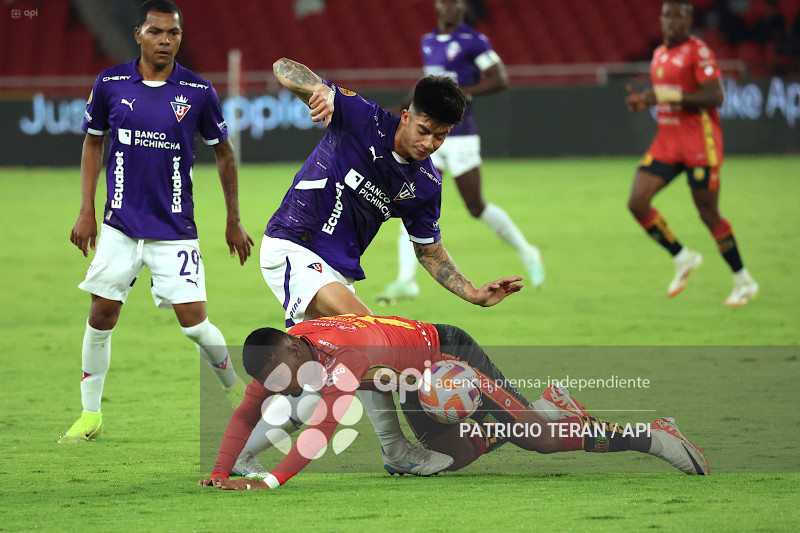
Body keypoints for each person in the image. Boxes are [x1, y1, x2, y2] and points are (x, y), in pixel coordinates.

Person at [234, 57, 524, 476]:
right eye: (423, 130)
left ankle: (244, 451)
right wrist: (316, 93)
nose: (428, 143)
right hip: (293, 244)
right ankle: (396, 449)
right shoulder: (363, 118)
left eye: (440, 137)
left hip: (337, 271)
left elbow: (430, 252)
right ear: (406, 116)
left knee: (321, 381)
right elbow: (283, 67)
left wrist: (474, 293)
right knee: (370, 334)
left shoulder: (425, 184)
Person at [199, 314, 708, 490]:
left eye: (283, 379)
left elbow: (317, 436)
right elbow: (247, 411)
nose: (284, 390)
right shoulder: (282, 356)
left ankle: (653, 436)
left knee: (544, 443)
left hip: (448, 357)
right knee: (449, 456)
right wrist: (222, 471)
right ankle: (546, 408)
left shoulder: (342, 359)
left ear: (293, 347)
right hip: (415, 379)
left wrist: (266, 481)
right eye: (275, 384)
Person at [59, 0, 254, 443]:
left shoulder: (198, 92)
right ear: (139, 34)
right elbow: (93, 143)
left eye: (173, 33)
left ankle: (239, 394)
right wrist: (87, 210)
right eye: (156, 31)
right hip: (120, 227)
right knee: (101, 315)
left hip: (174, 230)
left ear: (180, 37)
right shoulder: (109, 84)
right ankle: (90, 415)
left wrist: (233, 220)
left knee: (196, 325)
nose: (165, 40)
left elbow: (224, 153)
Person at [376, 0, 545, 304]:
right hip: (427, 135)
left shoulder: (473, 41)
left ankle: (527, 251)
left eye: (456, 2)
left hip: (460, 134)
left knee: (475, 206)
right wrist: (399, 109)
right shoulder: (428, 41)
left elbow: (499, 78)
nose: (450, 6)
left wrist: (460, 94)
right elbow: (426, 89)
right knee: (410, 200)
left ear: (463, 7)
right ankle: (405, 280)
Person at [625, 0, 758, 306]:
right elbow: (665, 96)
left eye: (678, 16)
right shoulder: (659, 54)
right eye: (666, 15)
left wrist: (663, 95)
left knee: (708, 213)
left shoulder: (698, 51)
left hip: (700, 142)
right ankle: (683, 257)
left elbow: (715, 96)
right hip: (668, 141)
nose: (671, 21)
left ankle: (743, 279)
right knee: (637, 202)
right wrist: (645, 101)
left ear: (688, 21)